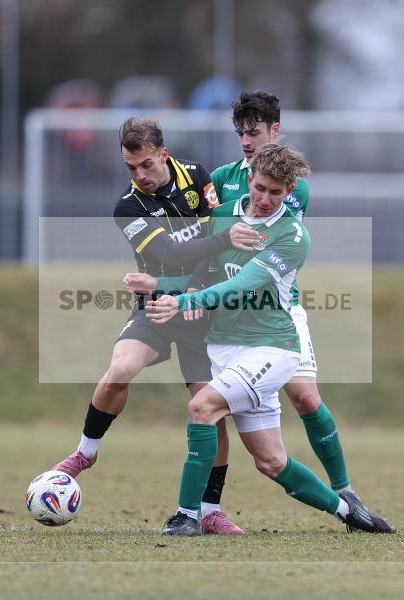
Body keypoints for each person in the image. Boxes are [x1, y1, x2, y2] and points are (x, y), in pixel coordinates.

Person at [146, 144, 392, 535]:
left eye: (276, 193)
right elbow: (205, 271)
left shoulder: (292, 234)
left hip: (271, 348)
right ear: (249, 178)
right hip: (225, 347)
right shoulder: (224, 215)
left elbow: (243, 284)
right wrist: (164, 286)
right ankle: (348, 513)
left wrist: (186, 303)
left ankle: (187, 516)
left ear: (289, 190)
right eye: (260, 188)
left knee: (201, 407)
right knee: (271, 461)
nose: (264, 200)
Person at [208, 90, 391, 533]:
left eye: (254, 132)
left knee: (306, 397)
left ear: (275, 131)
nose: (247, 142)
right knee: (211, 411)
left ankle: (345, 492)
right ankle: (205, 507)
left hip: (277, 312)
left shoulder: (293, 185)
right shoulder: (219, 177)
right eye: (240, 134)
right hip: (229, 318)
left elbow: (267, 240)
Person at [51, 117, 263, 479]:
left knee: (209, 412)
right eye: (130, 167)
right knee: (120, 368)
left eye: (146, 164)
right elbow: (171, 250)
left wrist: (196, 288)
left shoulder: (197, 175)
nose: (139, 174)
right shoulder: (128, 207)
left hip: (198, 309)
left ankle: (210, 511)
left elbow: (209, 242)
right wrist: (223, 242)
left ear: (163, 154)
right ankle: (85, 452)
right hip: (157, 306)